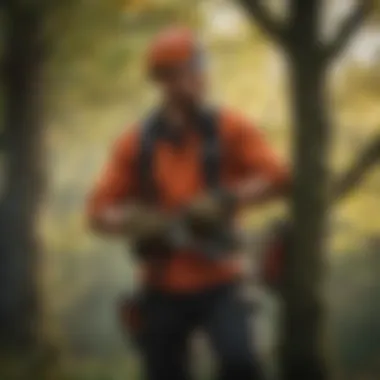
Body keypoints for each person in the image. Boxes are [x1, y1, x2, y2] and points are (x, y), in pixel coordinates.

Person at [86, 26, 289, 380]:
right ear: (163, 81)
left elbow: (277, 177)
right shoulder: (134, 145)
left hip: (223, 278)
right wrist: (131, 220)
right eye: (188, 71)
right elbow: (97, 212)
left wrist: (227, 198)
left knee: (242, 365)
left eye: (200, 69)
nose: (199, 79)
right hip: (161, 284)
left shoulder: (230, 128)